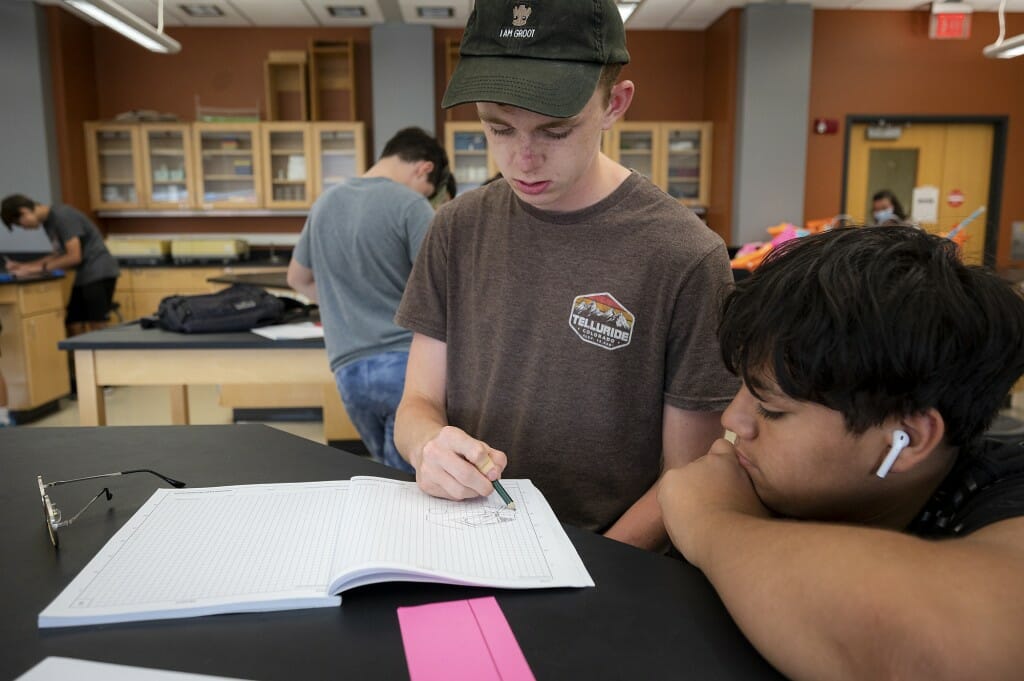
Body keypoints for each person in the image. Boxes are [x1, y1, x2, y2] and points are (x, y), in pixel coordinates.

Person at [394, 0, 737, 549]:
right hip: (465, 538)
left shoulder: (684, 254)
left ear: (614, 104)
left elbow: (690, 474)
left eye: (555, 132)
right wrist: (426, 446)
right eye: (498, 128)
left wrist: (594, 567)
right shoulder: (456, 229)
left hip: (613, 560)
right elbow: (417, 406)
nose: (523, 160)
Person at [659, 226, 1024, 681]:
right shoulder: (767, 479)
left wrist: (713, 522)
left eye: (772, 410)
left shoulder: (1005, 494)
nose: (734, 421)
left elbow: (955, 644)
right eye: (743, 391)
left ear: (904, 437)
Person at [287, 127, 449, 472]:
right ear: (425, 168)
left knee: (387, 474)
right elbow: (443, 285)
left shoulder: (324, 203)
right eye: (429, 191)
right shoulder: (410, 205)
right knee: (409, 483)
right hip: (404, 368)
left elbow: (297, 279)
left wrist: (342, 302)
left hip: (347, 371)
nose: (426, 196)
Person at [1, 195, 120, 336]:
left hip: (98, 272)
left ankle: (103, 357)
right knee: (73, 322)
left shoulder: (62, 216)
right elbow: (58, 255)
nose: (23, 228)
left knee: (97, 323)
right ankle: (80, 357)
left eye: (19, 224)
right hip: (85, 275)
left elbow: (74, 256)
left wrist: (34, 269)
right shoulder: (49, 222)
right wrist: (23, 266)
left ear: (24, 211)